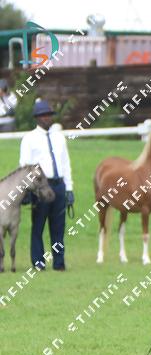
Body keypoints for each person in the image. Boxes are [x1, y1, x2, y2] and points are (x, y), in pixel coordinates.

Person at [19, 99, 74, 271]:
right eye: (43, 115)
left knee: (58, 227)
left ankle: (59, 262)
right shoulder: (29, 139)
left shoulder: (59, 137)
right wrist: (28, 189)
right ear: (37, 118)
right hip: (41, 187)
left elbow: (65, 163)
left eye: (49, 115)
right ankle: (38, 262)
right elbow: (25, 165)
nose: (47, 118)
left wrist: (69, 188)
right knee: (38, 226)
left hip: (58, 185)